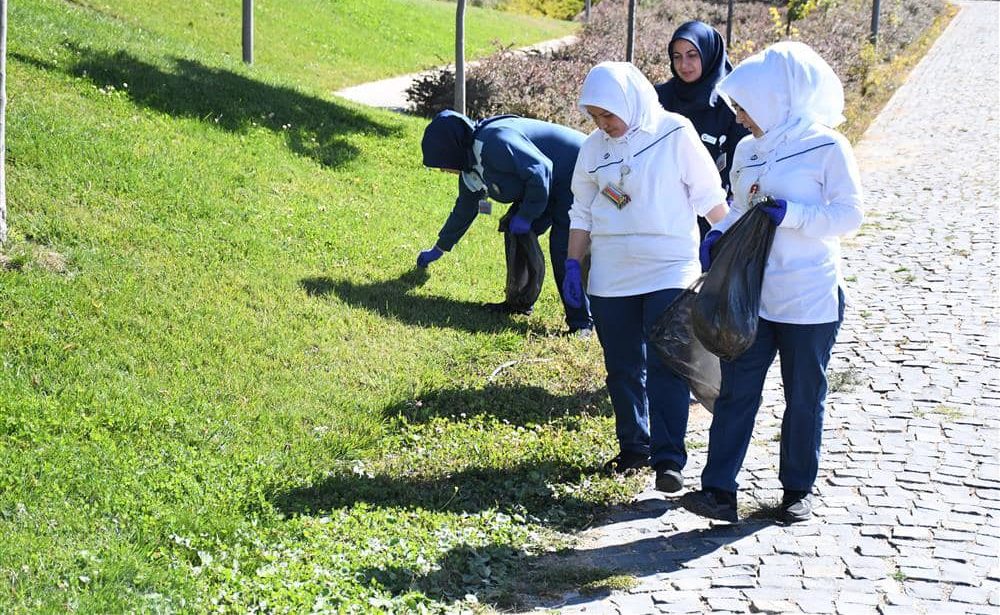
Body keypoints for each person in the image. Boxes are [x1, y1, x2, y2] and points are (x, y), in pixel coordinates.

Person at [680, 42, 864, 523]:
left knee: (804, 395)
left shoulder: (826, 146)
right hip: (753, 296)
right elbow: (740, 205)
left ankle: (798, 490)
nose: (739, 117)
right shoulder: (747, 149)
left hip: (809, 297)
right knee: (737, 391)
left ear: (776, 99)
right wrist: (717, 234)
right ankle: (718, 491)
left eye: (744, 107)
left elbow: (850, 214)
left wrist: (795, 216)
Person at [562, 62, 728, 491]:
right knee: (621, 366)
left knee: (666, 362)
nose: (603, 125)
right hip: (613, 272)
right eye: (595, 118)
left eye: (608, 116)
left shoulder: (674, 132)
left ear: (628, 104)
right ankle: (634, 445)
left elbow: (710, 195)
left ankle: (668, 459)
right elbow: (581, 210)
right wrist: (573, 263)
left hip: (668, 265)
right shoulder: (593, 149)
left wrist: (727, 248)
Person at [417, 110, 593, 335]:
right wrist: (440, 247)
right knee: (514, 228)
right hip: (549, 182)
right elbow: (465, 209)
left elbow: (541, 170)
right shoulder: (471, 166)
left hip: (577, 173)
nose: (442, 169)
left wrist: (527, 215)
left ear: (451, 149)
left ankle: (582, 324)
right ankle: (520, 302)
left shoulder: (494, 143)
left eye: (441, 161)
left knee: (563, 248)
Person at [655, 20, 748, 238]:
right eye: (676, 56)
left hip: (714, 216)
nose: (684, 64)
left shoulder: (731, 106)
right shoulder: (659, 99)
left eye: (692, 55)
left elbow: (743, 167)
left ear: (708, 54)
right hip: (661, 215)